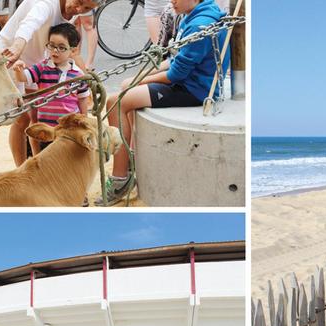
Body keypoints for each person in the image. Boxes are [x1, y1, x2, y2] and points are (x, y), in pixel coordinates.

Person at [96, 0, 230, 206]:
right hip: (189, 81)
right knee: (125, 85)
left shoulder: (199, 24)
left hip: (193, 90)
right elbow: (175, 59)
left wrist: (140, 80)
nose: (171, 1)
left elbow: (176, 73)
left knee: (116, 102)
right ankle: (129, 159)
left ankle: (119, 180)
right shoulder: (194, 14)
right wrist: (141, 76)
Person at [0, 0, 101, 167]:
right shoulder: (46, 4)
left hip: (35, 63)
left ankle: (34, 165)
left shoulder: (70, 13)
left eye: (87, 8)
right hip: (10, 57)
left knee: (34, 118)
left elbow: (62, 45)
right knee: (21, 118)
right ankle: (22, 169)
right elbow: (30, 23)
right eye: (79, 2)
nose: (79, 9)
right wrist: (17, 47)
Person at [11, 23, 90, 157]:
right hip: (45, 128)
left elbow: (82, 100)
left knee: (65, 159)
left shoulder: (78, 75)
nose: (55, 51)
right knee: (44, 158)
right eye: (51, 46)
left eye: (61, 48)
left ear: (73, 51)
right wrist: (18, 69)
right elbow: (24, 78)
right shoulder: (42, 68)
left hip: (68, 129)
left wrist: (85, 122)